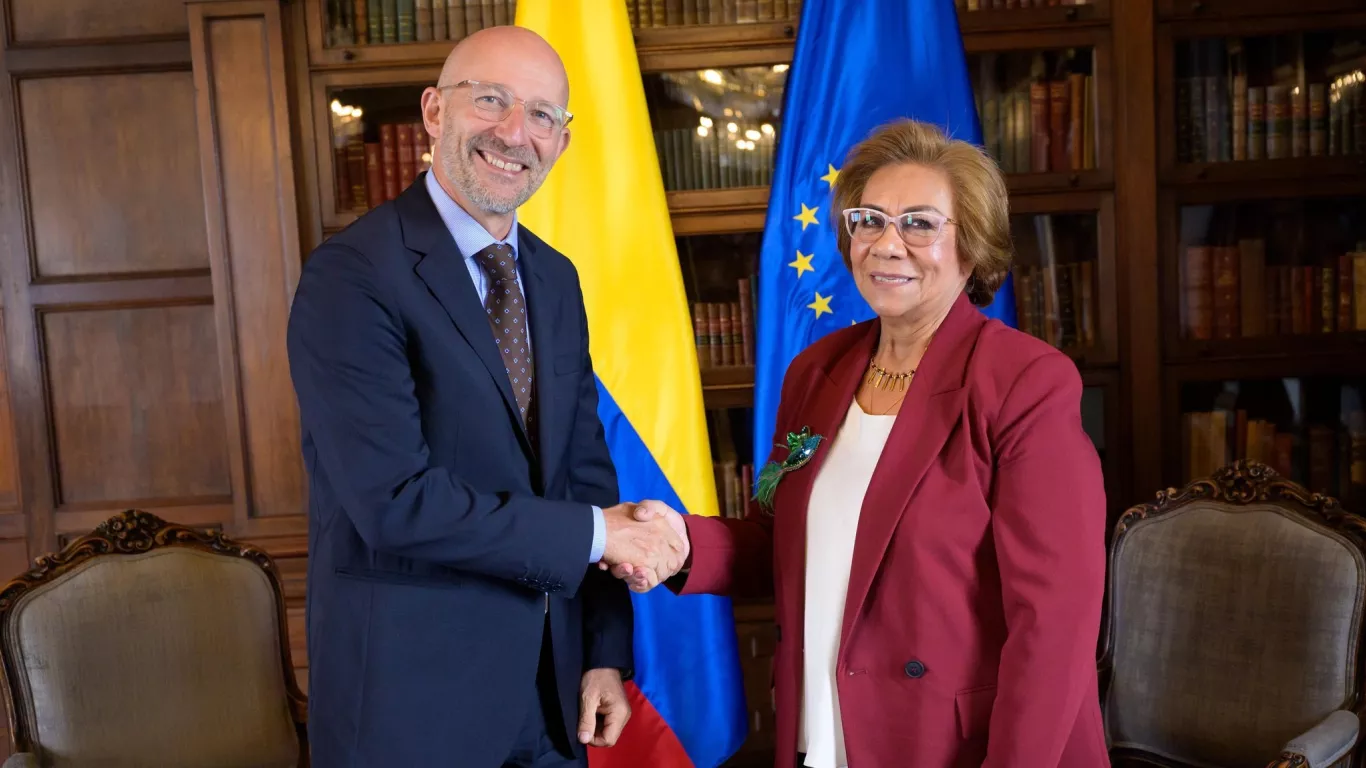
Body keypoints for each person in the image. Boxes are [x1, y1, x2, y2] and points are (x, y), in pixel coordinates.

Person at [611, 119, 1110, 767]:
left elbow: (1053, 624)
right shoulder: (817, 372)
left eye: (920, 223)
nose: (886, 244)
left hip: (957, 746)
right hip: (821, 734)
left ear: (974, 245)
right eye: (868, 221)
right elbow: (778, 541)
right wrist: (682, 544)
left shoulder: (1023, 383)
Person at [286, 25, 686, 768]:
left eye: (541, 115)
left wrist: (602, 651)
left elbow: (584, 478)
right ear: (435, 112)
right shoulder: (352, 277)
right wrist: (599, 537)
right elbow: (393, 501)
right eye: (492, 100)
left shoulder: (555, 277)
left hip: (551, 694)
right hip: (413, 712)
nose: (514, 133)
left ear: (562, 143)